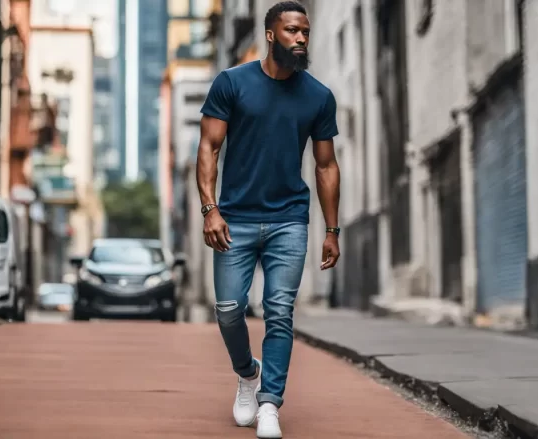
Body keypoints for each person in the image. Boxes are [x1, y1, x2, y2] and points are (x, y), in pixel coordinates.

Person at [196, 1, 341, 437]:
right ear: (272, 34)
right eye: (292, 31)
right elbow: (208, 149)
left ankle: (270, 403)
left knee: (279, 311)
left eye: (306, 32)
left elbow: (326, 166)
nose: (300, 38)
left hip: (289, 220)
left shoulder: (318, 96)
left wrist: (332, 229)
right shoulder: (232, 83)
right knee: (228, 311)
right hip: (235, 218)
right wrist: (210, 209)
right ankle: (247, 372)